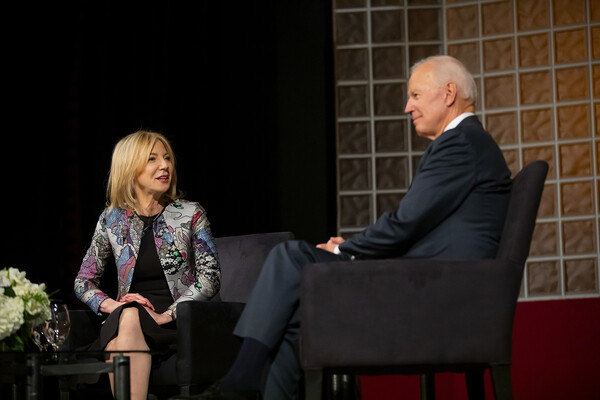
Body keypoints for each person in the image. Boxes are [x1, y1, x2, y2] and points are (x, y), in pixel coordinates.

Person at [199, 55, 513, 400]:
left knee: (289, 257)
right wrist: (352, 247)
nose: (408, 107)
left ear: (449, 92)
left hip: (432, 297)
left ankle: (239, 379)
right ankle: (244, 381)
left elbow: (405, 224)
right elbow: (418, 227)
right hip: (431, 286)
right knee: (293, 311)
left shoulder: (461, 143)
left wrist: (344, 250)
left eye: (416, 95)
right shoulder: (470, 144)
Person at [74, 130, 220, 400]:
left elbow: (210, 277)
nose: (164, 165)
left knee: (123, 331)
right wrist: (117, 307)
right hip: (127, 317)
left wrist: (166, 315)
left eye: (167, 158)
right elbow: (83, 281)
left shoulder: (191, 213)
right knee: (129, 315)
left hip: (177, 322)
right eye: (152, 159)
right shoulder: (112, 219)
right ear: (130, 168)